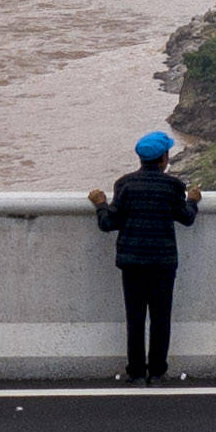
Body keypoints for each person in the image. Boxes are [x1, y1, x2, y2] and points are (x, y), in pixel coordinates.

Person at [88, 129, 201, 382]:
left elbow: (108, 223)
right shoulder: (173, 186)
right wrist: (193, 200)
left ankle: (136, 373)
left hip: (132, 263)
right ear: (164, 159)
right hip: (162, 263)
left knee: (135, 318)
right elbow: (186, 218)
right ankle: (158, 372)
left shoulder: (125, 184)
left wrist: (100, 204)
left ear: (141, 159)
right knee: (161, 318)